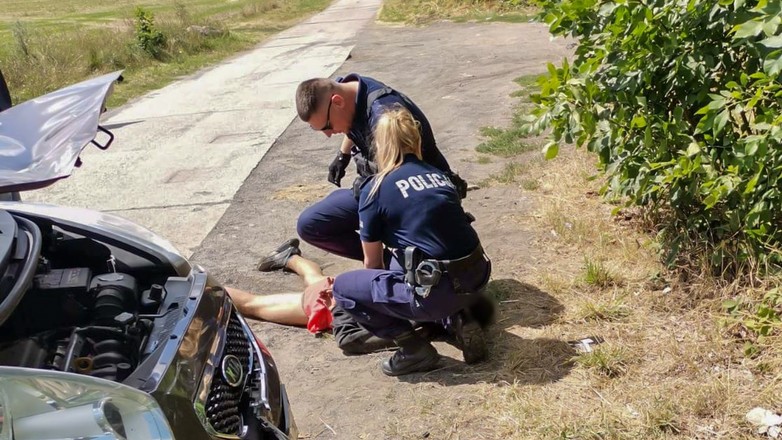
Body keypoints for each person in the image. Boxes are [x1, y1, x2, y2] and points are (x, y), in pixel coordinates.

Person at [331, 108, 492, 376]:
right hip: (476, 277)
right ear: (417, 141)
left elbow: (373, 264)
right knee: (409, 261)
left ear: (379, 145)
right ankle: (459, 317)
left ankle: (412, 348)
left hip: (438, 289)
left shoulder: (375, 189)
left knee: (344, 288)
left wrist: (387, 308)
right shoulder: (439, 175)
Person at [291, 74, 467, 262]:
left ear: (337, 102)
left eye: (327, 126)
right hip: (381, 191)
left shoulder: (385, 115)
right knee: (311, 224)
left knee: (377, 224)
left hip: (413, 199)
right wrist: (343, 155)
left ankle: (405, 264)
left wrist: (369, 202)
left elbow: (402, 181)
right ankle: (389, 262)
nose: (328, 134)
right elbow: (353, 119)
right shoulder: (346, 90)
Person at [228, 238, 394, 355]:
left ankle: (289, 257)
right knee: (254, 305)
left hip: (352, 290)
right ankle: (206, 288)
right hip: (335, 304)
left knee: (317, 281)